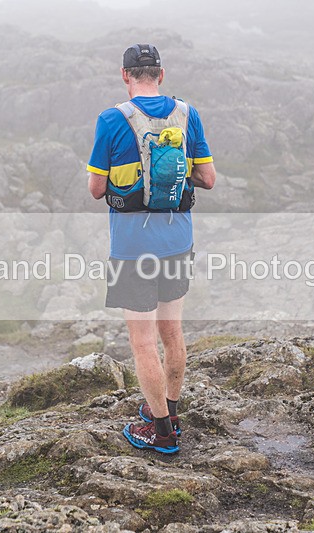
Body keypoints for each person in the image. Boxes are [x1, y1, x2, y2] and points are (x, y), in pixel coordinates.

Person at [86, 43, 216, 454]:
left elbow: (96, 189)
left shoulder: (111, 120)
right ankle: (169, 409)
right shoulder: (187, 114)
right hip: (178, 239)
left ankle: (161, 433)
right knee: (172, 330)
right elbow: (209, 178)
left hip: (133, 246)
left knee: (143, 343)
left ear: (125, 76)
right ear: (161, 73)